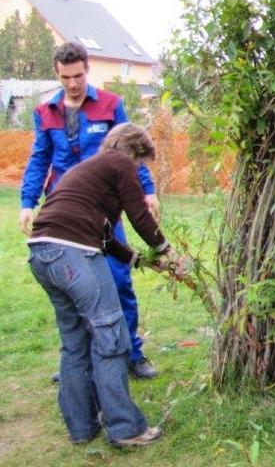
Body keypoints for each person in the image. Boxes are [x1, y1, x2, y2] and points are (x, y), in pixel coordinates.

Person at [27, 123, 179, 448]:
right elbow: (139, 214)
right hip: (74, 254)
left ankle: (81, 427)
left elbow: (106, 235)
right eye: (140, 165)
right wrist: (167, 250)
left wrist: (138, 259)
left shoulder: (90, 173)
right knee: (111, 338)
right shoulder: (119, 161)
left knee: (75, 343)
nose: (137, 172)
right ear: (133, 151)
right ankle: (126, 428)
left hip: (42, 253)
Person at [19, 42, 161, 379]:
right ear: (57, 74)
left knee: (118, 278)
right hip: (64, 214)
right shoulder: (45, 112)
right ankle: (77, 359)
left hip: (106, 211)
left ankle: (132, 354)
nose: (73, 83)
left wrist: (148, 191)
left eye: (78, 75)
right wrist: (27, 202)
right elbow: (39, 158)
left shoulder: (111, 105)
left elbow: (133, 147)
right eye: (66, 77)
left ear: (88, 70)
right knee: (74, 286)